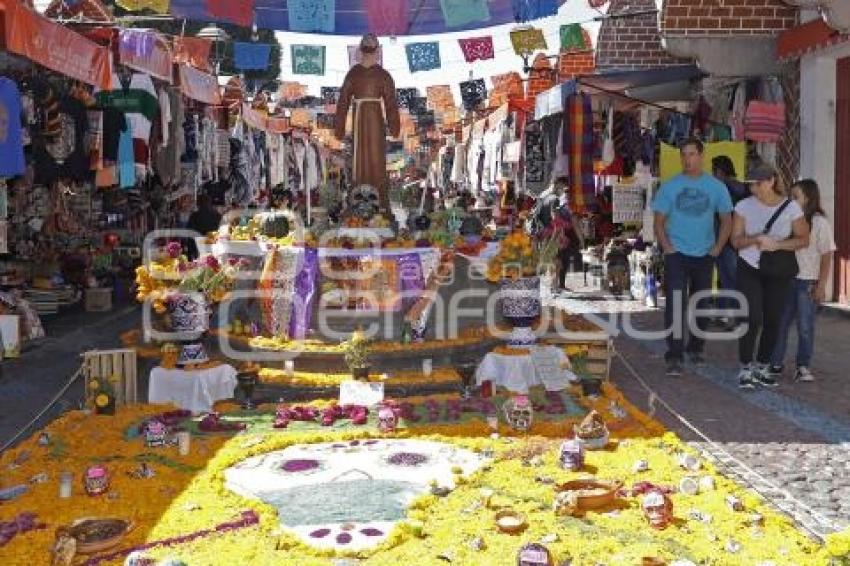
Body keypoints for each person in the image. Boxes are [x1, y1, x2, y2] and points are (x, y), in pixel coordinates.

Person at [653, 138, 733, 375]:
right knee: (676, 304)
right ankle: (675, 354)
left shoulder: (716, 187)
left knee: (702, 304)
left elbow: (727, 220)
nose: (688, 160)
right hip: (676, 254)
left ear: (702, 155)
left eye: (692, 154)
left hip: (705, 254)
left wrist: (717, 248)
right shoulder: (670, 186)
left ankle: (696, 348)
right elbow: (658, 222)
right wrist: (668, 248)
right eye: (684, 155)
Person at [731, 163, 809, 389]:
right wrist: (755, 239)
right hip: (749, 266)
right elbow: (735, 241)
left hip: (778, 269)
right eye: (751, 184)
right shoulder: (743, 206)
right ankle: (746, 366)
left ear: (771, 181)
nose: (754, 188)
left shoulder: (791, 207)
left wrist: (777, 244)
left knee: (773, 320)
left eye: (758, 183)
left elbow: (804, 239)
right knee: (752, 317)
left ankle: (763, 366)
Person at [769, 179, 835, 382]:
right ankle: (775, 363)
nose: (791, 200)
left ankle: (803, 366)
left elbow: (826, 255)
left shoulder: (820, 223)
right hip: (786, 280)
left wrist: (821, 285)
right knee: (780, 324)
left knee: (805, 327)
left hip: (807, 283)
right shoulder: (787, 220)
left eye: (796, 196)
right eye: (790, 196)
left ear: (808, 199)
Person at [334, 33, 401, 212]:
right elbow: (391, 106)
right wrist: (395, 128)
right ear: (377, 51)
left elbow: (342, 104)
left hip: (361, 118)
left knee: (364, 158)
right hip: (374, 119)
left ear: (360, 51)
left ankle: (363, 203)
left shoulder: (354, 73)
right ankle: (377, 205)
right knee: (375, 158)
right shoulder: (383, 75)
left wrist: (339, 130)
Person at [711, 155, 750, 329]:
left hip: (726, 241)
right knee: (728, 279)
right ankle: (727, 315)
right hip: (737, 240)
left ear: (720, 171)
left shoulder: (723, 189)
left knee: (730, 279)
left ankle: (734, 317)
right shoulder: (742, 188)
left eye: (714, 171)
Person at [186, 194, 222, 259]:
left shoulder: (194, 216)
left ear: (198, 204)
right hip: (213, 244)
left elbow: (190, 234)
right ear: (210, 203)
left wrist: (190, 253)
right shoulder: (217, 215)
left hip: (199, 246)